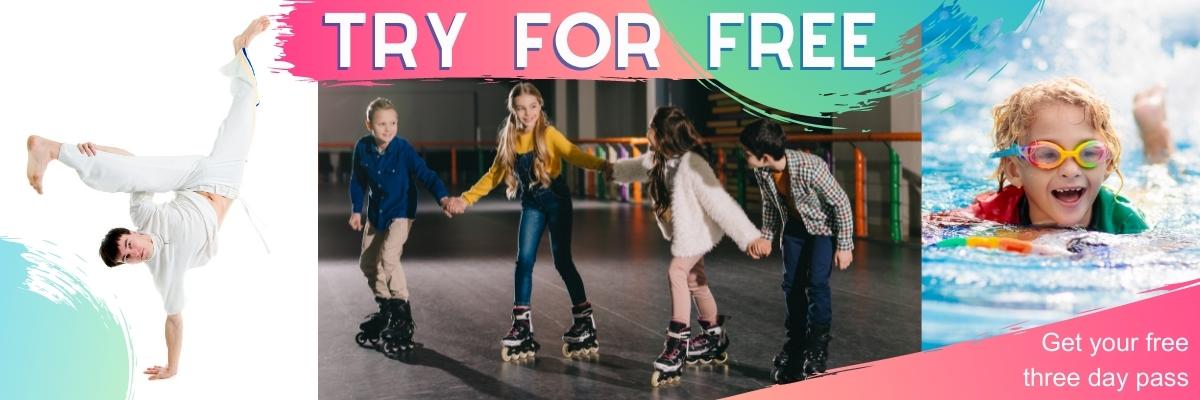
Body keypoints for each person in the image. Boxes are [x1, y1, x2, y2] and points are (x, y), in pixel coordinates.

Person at [23, 16, 270, 380]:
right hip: (225, 179)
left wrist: (96, 147)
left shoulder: (144, 214)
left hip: (190, 178)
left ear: (131, 233)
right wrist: (173, 366)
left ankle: (57, 150)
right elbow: (174, 320)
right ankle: (240, 48)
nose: (132, 253)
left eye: (126, 244)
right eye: (126, 258)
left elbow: (133, 165)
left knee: (131, 175)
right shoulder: (163, 274)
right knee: (249, 100)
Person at [443, 82, 612, 361]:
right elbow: (493, 175)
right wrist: (465, 199)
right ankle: (522, 325)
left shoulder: (549, 134)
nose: (528, 113)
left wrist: (604, 166)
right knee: (524, 261)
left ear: (540, 106)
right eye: (521, 108)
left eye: (532, 107)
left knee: (562, 261)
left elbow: (574, 154)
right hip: (532, 204)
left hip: (557, 201)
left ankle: (584, 320)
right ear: (514, 110)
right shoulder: (509, 139)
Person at [611, 106, 769, 387]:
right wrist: (610, 170)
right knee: (696, 280)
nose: (647, 131)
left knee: (677, 273)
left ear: (663, 135)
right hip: (685, 231)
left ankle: (677, 343)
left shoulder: (693, 165)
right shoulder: (658, 158)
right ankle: (714, 336)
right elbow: (636, 167)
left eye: (651, 127)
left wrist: (749, 237)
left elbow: (721, 203)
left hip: (698, 231)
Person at [738, 119, 854, 383]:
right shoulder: (763, 172)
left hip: (822, 229)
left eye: (747, 153)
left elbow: (841, 202)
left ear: (764, 156)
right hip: (794, 227)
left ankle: (817, 346)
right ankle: (797, 341)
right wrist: (766, 237)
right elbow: (769, 205)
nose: (744, 157)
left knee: (816, 285)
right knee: (791, 284)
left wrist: (845, 245)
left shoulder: (811, 167)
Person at [952, 77, 1148, 234]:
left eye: (1088, 152)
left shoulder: (1126, 221)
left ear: (1108, 163)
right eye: (1047, 154)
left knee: (1153, 189)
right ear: (1014, 170)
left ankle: (1153, 136)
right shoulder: (994, 211)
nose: (1071, 170)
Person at [348, 97, 453, 355]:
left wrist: (443, 197)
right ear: (369, 125)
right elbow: (357, 181)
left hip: (401, 212)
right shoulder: (362, 148)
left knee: (389, 258)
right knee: (368, 262)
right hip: (376, 214)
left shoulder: (403, 149)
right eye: (382, 124)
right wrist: (355, 210)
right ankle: (387, 309)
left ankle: (402, 314)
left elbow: (426, 174)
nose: (388, 129)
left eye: (393, 123)